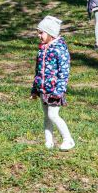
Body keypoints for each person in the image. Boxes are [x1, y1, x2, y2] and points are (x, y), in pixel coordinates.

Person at [31, 15, 75, 151]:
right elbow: (38, 71)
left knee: (53, 115)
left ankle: (69, 140)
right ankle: (48, 142)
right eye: (38, 32)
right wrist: (35, 89)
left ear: (51, 33)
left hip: (55, 90)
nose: (39, 35)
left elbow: (64, 72)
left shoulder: (60, 49)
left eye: (41, 32)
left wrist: (59, 90)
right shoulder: (43, 48)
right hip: (43, 89)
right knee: (47, 116)